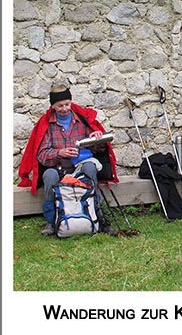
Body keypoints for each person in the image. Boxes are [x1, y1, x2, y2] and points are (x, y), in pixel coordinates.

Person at [18, 82, 118, 236]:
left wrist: (97, 139)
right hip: (58, 168)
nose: (64, 109)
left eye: (67, 104)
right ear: (53, 106)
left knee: (90, 168)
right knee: (49, 175)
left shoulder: (81, 120)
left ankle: (97, 215)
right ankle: (51, 221)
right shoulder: (48, 125)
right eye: (60, 106)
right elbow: (42, 156)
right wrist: (60, 153)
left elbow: (99, 150)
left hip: (80, 166)